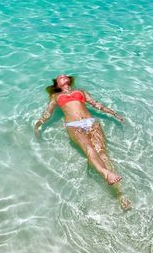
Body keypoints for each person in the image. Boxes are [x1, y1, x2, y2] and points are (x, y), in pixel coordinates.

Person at [34, 75, 131, 210]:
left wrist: (113, 113)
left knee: (103, 153)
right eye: (59, 77)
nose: (63, 76)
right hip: (74, 125)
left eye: (64, 76)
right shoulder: (56, 97)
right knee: (88, 149)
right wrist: (38, 125)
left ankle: (120, 194)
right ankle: (105, 172)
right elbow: (48, 113)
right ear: (57, 84)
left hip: (92, 123)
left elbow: (97, 104)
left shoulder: (81, 91)